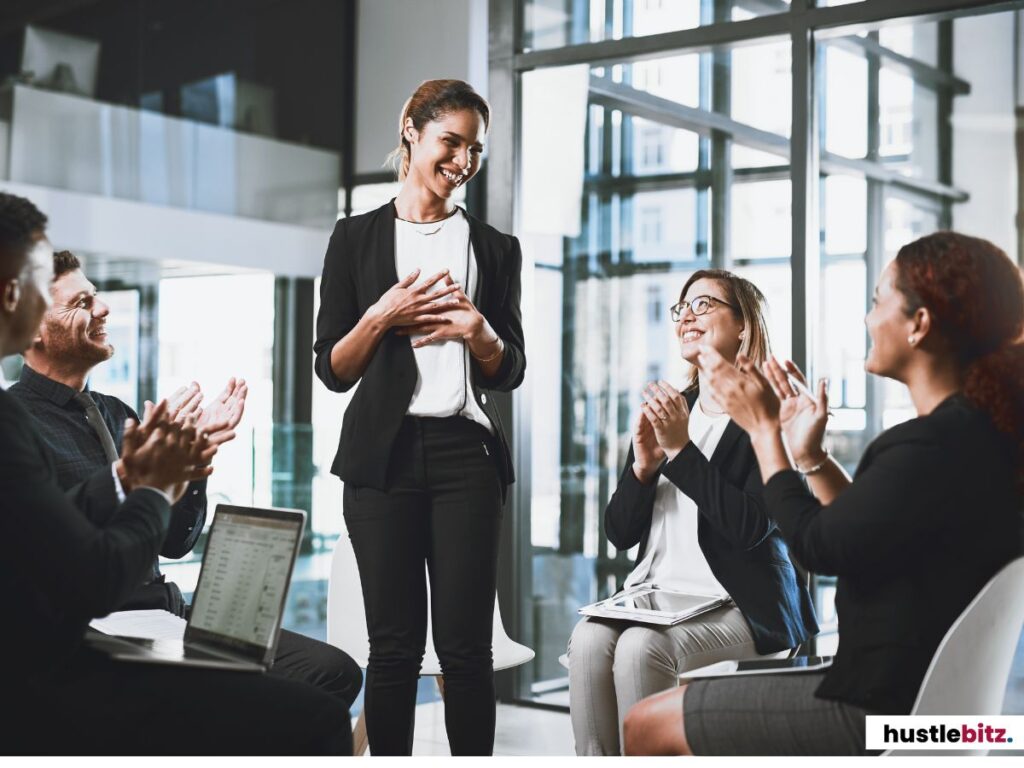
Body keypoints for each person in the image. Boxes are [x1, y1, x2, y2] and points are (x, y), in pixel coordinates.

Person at [623, 232, 1024, 756]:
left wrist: (766, 431)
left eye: (879, 301)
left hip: (876, 709)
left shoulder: (925, 446)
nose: (867, 317)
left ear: (919, 324)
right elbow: (858, 526)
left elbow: (817, 546)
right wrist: (809, 455)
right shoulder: (973, 437)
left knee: (645, 725)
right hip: (935, 703)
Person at [0, 192, 352, 754]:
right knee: (314, 716)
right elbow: (85, 568)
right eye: (73, 297)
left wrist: (190, 465)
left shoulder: (118, 415)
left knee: (331, 673)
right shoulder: (13, 417)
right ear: (20, 301)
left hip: (157, 613)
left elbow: (172, 542)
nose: (105, 308)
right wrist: (149, 482)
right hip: (81, 640)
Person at [314, 78, 525, 756]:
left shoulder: (495, 249)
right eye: (451, 142)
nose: (463, 161)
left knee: (466, 653)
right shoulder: (354, 239)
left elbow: (511, 367)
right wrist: (382, 315)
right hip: (383, 459)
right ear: (412, 131)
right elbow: (332, 369)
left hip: (467, 458)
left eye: (475, 150)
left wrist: (479, 332)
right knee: (394, 648)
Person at [567, 269, 818, 755]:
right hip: (660, 597)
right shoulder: (670, 408)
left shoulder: (770, 413)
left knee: (641, 648)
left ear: (743, 324)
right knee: (589, 641)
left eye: (704, 304)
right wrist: (642, 468)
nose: (687, 316)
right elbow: (619, 533)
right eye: (682, 308)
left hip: (744, 602)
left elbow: (750, 529)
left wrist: (681, 453)